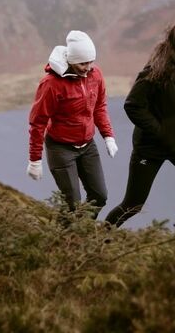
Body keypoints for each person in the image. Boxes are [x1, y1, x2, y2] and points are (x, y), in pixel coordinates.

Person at [105, 13, 175, 237]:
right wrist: (161, 132)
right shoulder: (156, 70)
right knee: (133, 204)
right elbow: (133, 105)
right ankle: (97, 240)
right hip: (152, 148)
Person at [27, 30, 118, 218]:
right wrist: (35, 160)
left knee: (99, 197)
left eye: (90, 62)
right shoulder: (52, 84)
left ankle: (78, 235)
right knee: (73, 206)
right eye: (82, 63)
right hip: (61, 149)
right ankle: (67, 240)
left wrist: (108, 136)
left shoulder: (96, 74)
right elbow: (38, 122)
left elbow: (99, 106)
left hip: (88, 146)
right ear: (71, 59)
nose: (87, 67)